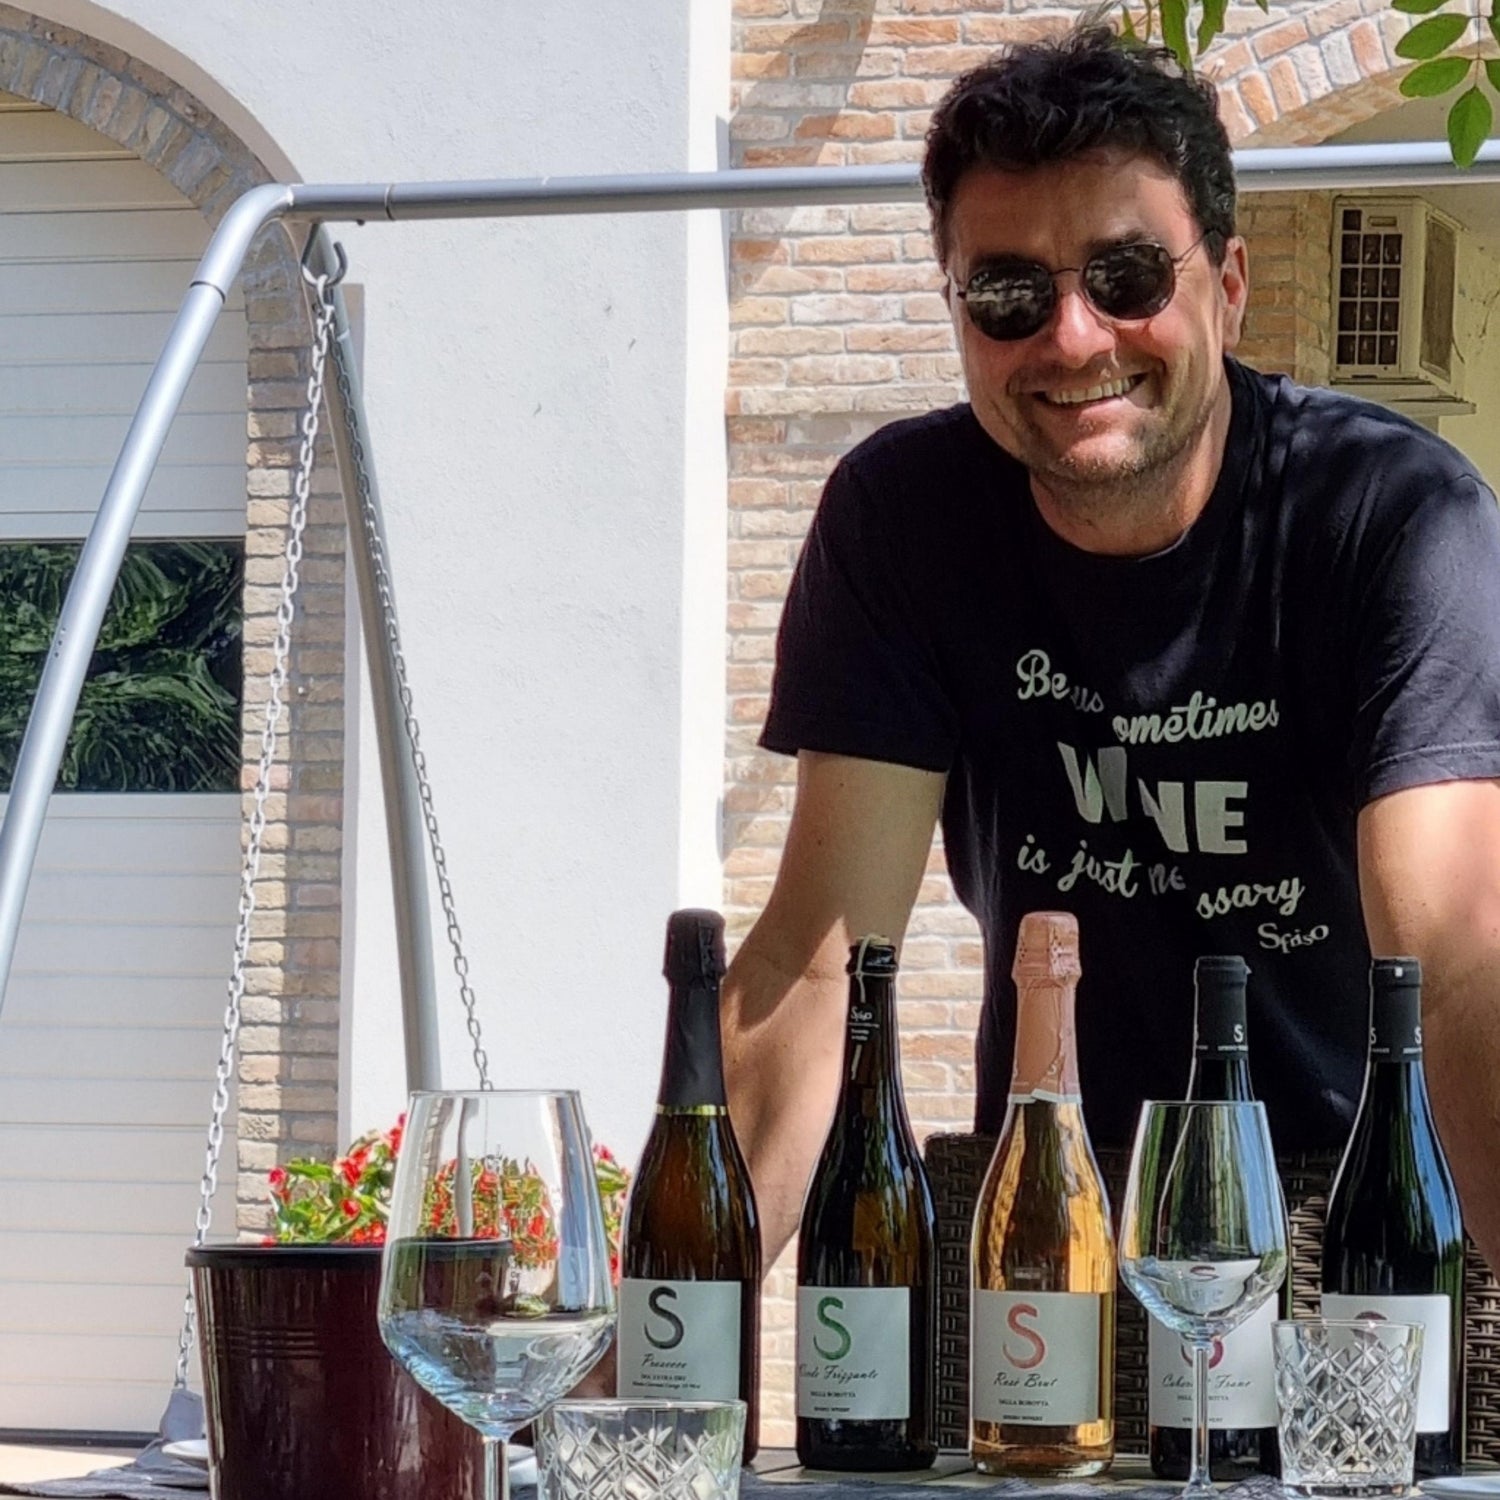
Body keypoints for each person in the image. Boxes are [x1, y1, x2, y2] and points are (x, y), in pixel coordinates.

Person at [720, 24, 1500, 1277]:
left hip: (1362, 1232)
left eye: (1127, 277)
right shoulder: (904, 518)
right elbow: (819, 968)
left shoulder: (1391, 516)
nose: (1074, 339)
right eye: (1012, 293)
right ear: (961, 313)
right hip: (1050, 1229)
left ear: (1227, 285)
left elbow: (1456, 959)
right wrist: (637, 1387)